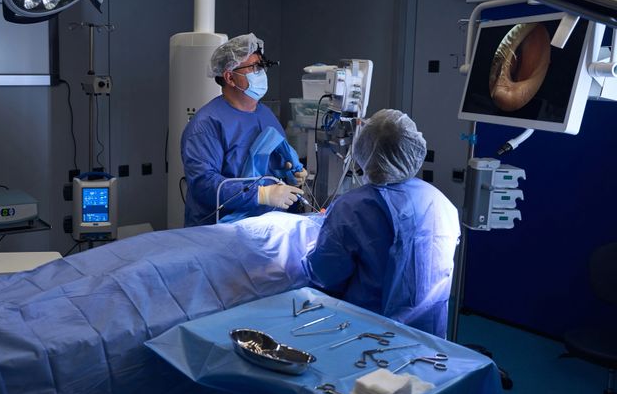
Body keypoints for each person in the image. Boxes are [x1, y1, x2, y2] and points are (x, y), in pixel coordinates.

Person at [302, 109, 460, 338]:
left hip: (368, 332)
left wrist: (308, 254)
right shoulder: (441, 203)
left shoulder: (353, 208)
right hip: (429, 335)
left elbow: (326, 276)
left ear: (365, 150)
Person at [181, 33, 306, 227]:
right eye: (254, 67)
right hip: (220, 231)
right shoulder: (206, 125)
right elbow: (204, 185)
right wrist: (261, 194)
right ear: (230, 77)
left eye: (262, 66)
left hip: (265, 226)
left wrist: (291, 175)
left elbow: (273, 164)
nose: (261, 72)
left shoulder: (266, 115)